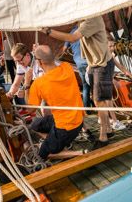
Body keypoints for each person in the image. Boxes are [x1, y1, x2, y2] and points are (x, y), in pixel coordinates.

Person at [42, 16, 115, 149]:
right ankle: (108, 129)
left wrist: (48, 31)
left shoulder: (92, 20)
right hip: (94, 64)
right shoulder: (83, 22)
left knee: (100, 100)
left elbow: (72, 38)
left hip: (102, 64)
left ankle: (103, 136)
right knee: (97, 99)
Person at [27, 45, 83, 160]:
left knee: (42, 154)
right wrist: (41, 53)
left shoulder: (38, 84)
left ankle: (79, 153)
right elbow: (52, 59)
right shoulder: (67, 67)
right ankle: (54, 142)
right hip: (78, 121)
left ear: (39, 62)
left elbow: (30, 110)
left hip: (65, 128)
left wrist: (27, 84)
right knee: (35, 125)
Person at [63, 26, 94, 113]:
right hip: (89, 62)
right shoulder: (85, 29)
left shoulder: (70, 33)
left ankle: (87, 111)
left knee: (85, 86)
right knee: (95, 86)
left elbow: (64, 49)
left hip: (79, 63)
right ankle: (101, 111)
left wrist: (73, 50)